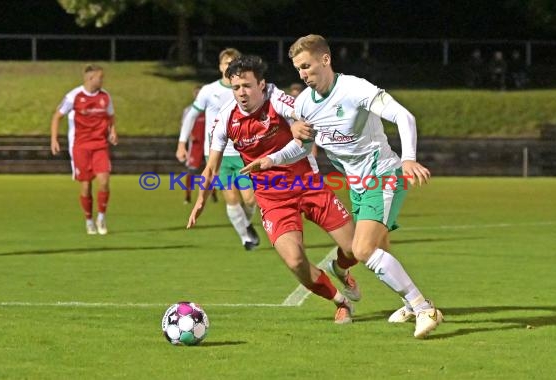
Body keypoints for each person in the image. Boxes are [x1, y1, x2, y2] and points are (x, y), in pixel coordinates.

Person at [242, 35, 443, 338]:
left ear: (326, 60)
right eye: (297, 69)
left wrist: (408, 159)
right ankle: (408, 303)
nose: (302, 74)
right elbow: (302, 146)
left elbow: (404, 116)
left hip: (384, 174)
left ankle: (423, 306)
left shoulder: (354, 88)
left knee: (362, 248)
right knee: (378, 247)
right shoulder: (305, 104)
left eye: (307, 66)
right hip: (358, 185)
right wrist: (272, 160)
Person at [187, 55, 361, 324]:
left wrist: (294, 124)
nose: (241, 93)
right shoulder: (225, 120)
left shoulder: (276, 98)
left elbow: (294, 113)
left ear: (262, 85)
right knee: (295, 262)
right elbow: (211, 167)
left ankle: (340, 267)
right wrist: (201, 199)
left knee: (354, 249)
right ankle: (340, 301)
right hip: (272, 198)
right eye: (236, 88)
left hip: (307, 184)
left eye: (247, 86)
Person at [176, 48, 260, 251]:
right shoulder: (208, 90)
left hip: (243, 152)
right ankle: (245, 238)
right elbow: (192, 116)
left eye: (233, 62)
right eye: (225, 63)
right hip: (217, 154)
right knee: (231, 198)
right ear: (220, 66)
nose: (228, 66)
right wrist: (181, 142)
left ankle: (246, 224)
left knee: (250, 199)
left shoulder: (246, 89)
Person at [50, 63, 118, 235]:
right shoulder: (74, 96)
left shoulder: (105, 96)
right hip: (80, 146)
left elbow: (110, 116)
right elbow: (57, 116)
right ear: (90, 78)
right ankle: (88, 219)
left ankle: (101, 217)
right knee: (86, 186)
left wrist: (113, 131)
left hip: (100, 145)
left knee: (104, 181)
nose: (102, 80)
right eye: (100, 77)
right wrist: (54, 139)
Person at [180, 85, 217, 204]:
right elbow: (184, 126)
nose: (198, 95)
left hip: (209, 145)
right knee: (191, 171)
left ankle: (213, 194)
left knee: (211, 170)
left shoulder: (211, 109)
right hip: (195, 145)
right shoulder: (188, 110)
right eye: (196, 93)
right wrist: (188, 136)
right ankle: (188, 196)